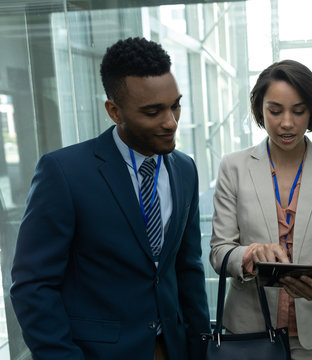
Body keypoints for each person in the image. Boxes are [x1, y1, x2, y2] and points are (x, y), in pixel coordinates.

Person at [10, 37, 210, 360]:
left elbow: (188, 269)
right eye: (153, 111)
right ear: (114, 111)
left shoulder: (185, 169)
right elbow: (32, 286)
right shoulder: (64, 173)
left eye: (175, 105)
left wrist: (201, 349)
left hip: (174, 349)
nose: (171, 122)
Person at [210, 59, 312, 359]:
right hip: (249, 333)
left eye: (298, 111)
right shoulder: (234, 167)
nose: (287, 123)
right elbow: (219, 251)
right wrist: (250, 254)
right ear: (260, 110)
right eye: (275, 111)